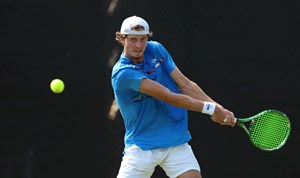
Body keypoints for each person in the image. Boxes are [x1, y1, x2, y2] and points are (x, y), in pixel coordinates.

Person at [111, 15, 236, 178]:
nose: (139, 45)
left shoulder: (156, 49)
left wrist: (219, 108)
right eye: (133, 39)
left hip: (175, 142)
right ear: (121, 38)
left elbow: (185, 84)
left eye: (143, 39)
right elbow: (168, 97)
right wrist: (211, 109)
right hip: (142, 147)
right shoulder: (123, 73)